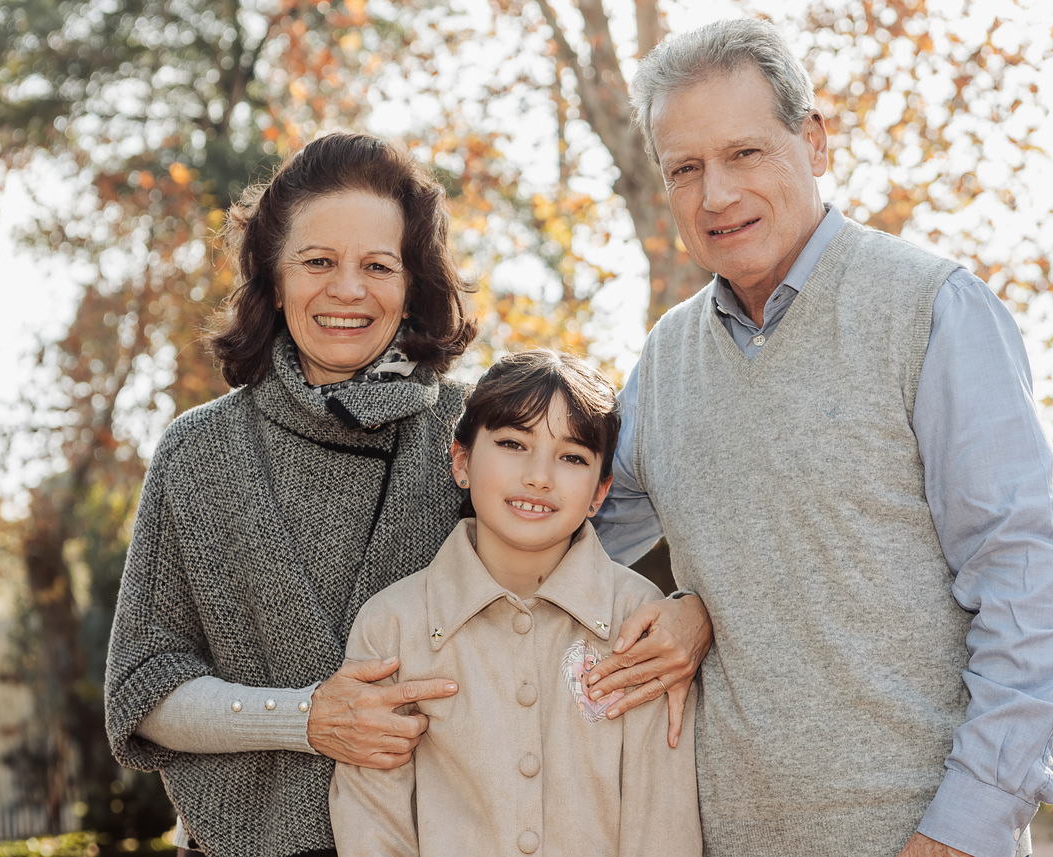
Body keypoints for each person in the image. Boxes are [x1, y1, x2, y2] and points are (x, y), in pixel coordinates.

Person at [586, 17, 1053, 857]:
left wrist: (963, 831)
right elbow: (553, 549)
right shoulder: (664, 363)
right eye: (685, 168)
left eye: (745, 152)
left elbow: (1031, 594)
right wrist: (682, 609)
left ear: (815, 141)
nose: (716, 195)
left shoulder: (932, 310)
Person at [104, 132, 479, 857]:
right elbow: (142, 688)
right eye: (318, 262)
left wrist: (686, 614)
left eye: (378, 265)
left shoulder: (471, 436)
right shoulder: (199, 453)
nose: (348, 290)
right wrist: (305, 716)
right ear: (275, 281)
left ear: (412, 287)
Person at [328, 349, 702, 856]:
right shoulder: (391, 623)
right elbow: (373, 825)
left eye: (572, 457)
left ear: (600, 492)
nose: (539, 476)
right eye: (512, 443)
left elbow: (662, 820)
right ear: (461, 461)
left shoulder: (640, 618)